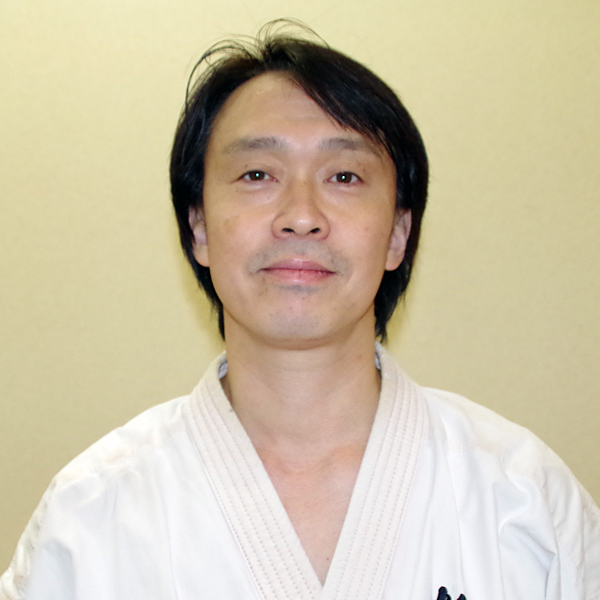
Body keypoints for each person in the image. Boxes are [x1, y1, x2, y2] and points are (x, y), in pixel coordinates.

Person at [1, 24, 599, 600]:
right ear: (199, 226)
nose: (302, 216)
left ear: (398, 233)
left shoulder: (522, 498)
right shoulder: (90, 516)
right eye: (257, 173)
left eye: (344, 176)